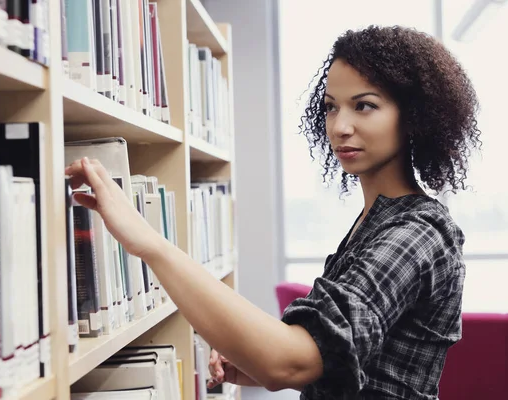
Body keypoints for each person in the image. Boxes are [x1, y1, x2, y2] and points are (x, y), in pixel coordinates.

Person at [65, 24, 480, 400]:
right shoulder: (376, 221)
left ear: (414, 117)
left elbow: (293, 360)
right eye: (331, 107)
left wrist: (150, 243)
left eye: (364, 106)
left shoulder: (417, 232)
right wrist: (257, 366)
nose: (340, 126)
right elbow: (353, 364)